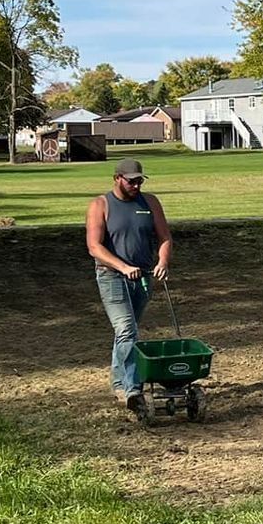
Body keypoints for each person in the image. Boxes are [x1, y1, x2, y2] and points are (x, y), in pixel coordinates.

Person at [85, 157, 172, 416]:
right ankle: (133, 388)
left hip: (143, 276)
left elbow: (165, 237)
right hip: (112, 277)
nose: (136, 185)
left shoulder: (150, 202)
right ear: (117, 179)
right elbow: (94, 247)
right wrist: (122, 267)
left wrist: (163, 261)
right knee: (127, 330)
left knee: (127, 331)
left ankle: (117, 383)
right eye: (131, 181)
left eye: (139, 181)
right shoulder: (101, 205)